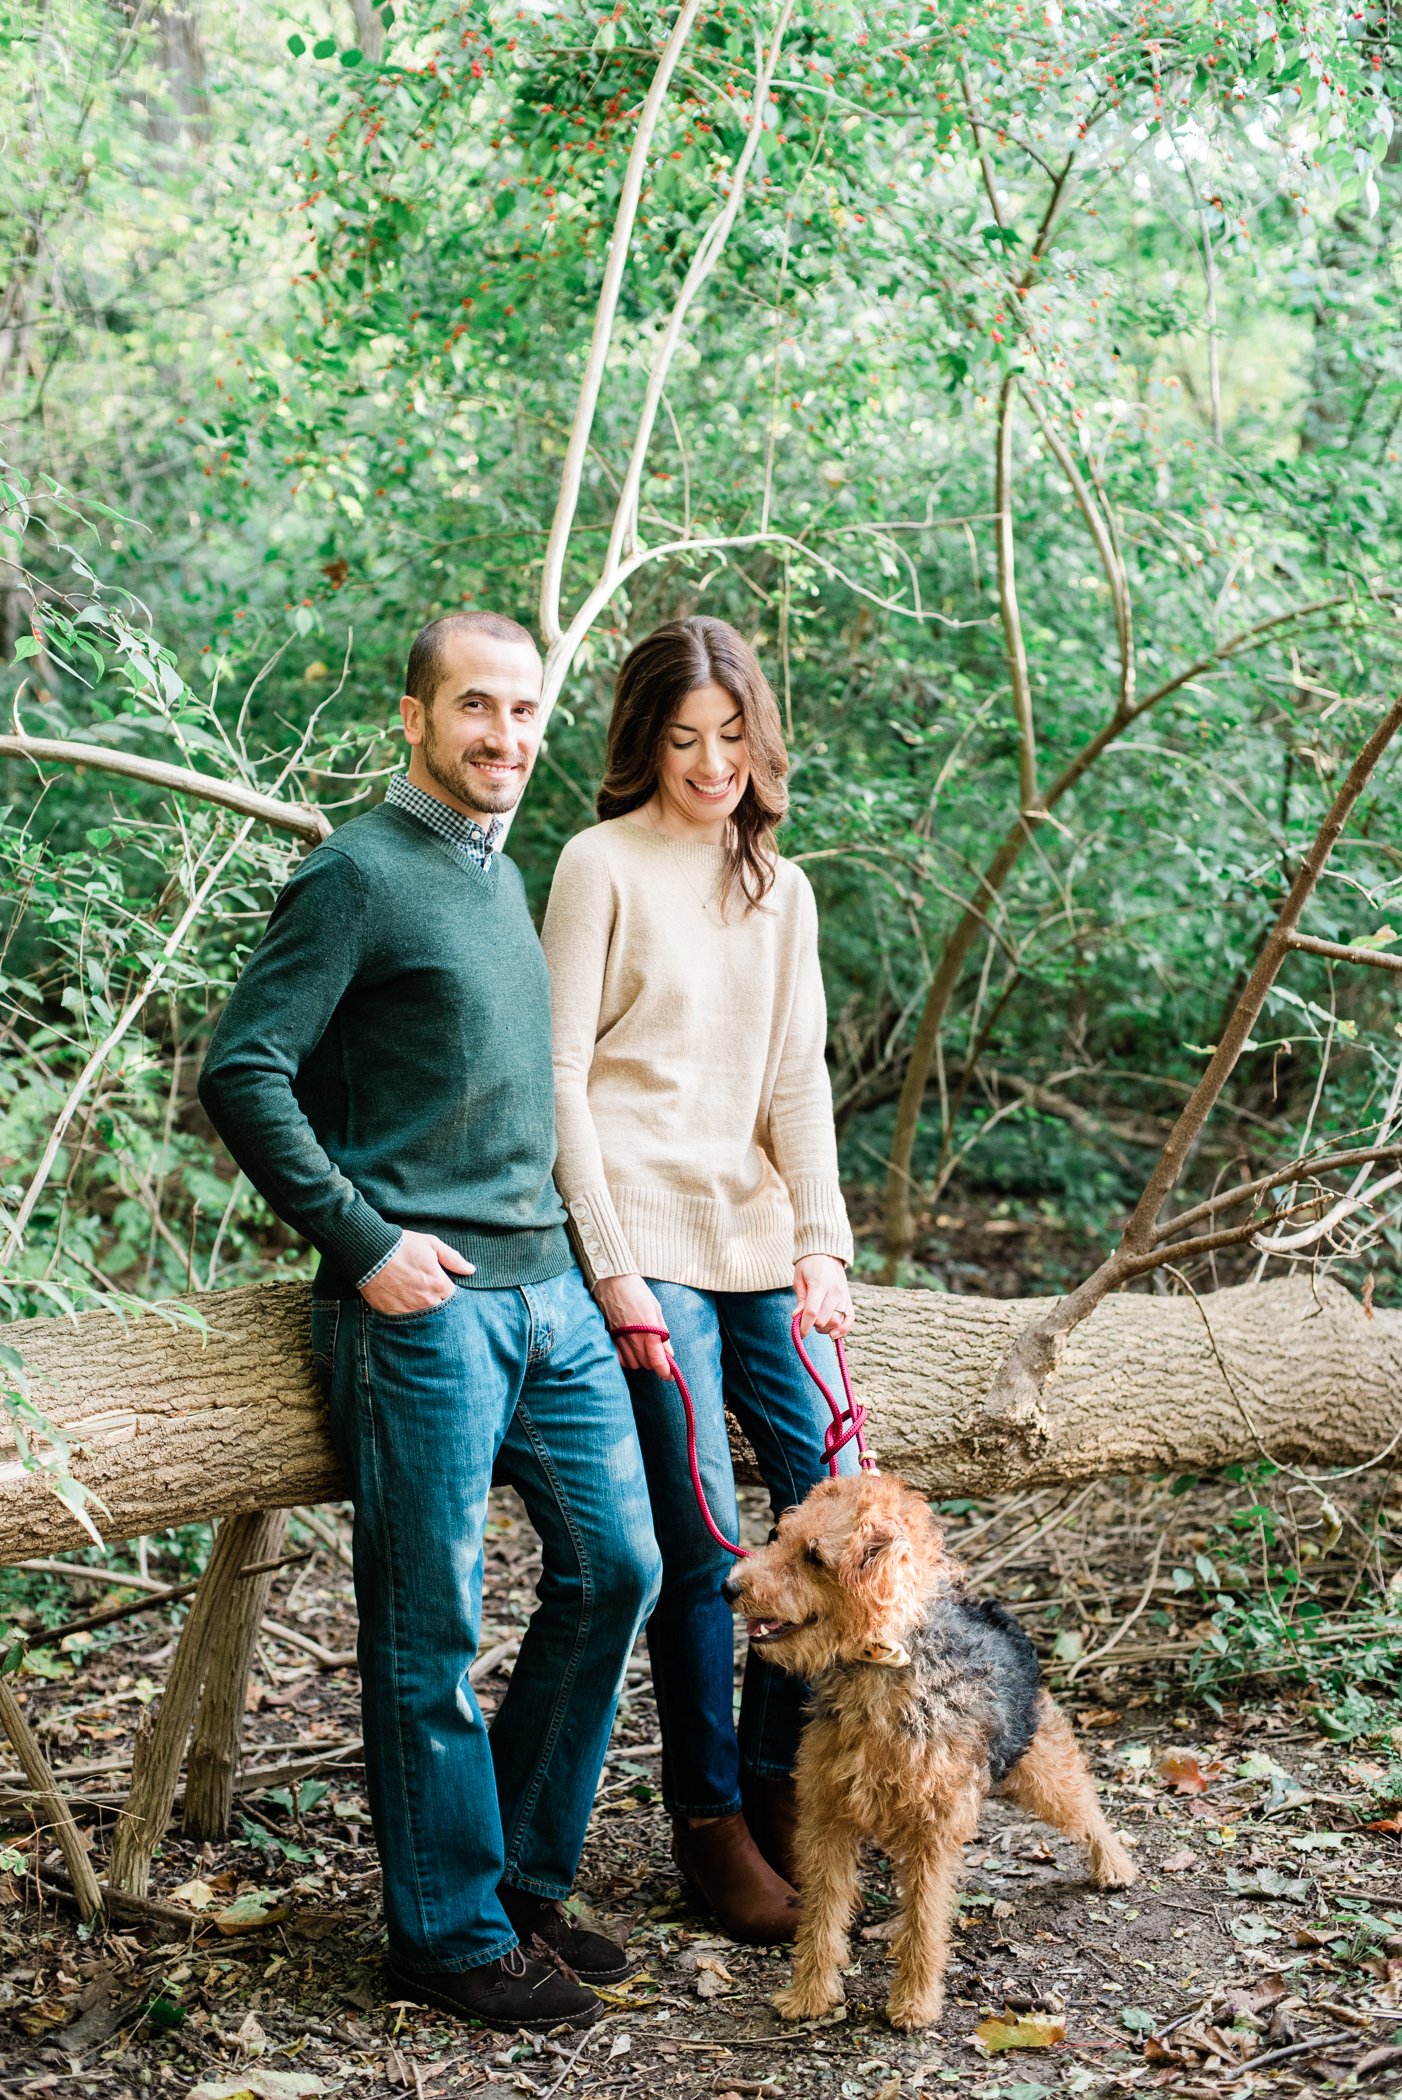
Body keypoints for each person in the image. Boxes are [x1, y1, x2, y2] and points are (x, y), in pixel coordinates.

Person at [198, 610, 662, 2032]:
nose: (505, 738)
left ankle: (515, 1882)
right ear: (414, 719)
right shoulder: (356, 873)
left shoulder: (491, 865)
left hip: (547, 1298)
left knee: (618, 1569)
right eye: (475, 709)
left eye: (524, 713)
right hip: (424, 1312)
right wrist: (363, 1241)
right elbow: (243, 1068)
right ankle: (447, 1935)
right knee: (428, 1629)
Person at [540, 614, 858, 1945]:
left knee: (829, 1517)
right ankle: (708, 1822)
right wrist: (611, 1271)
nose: (711, 762)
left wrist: (823, 1246)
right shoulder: (595, 864)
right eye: (682, 739)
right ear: (641, 742)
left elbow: (794, 1083)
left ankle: (784, 1786)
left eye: (731, 736)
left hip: (757, 1237)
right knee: (702, 1545)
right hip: (647, 1237)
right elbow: (556, 1078)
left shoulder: (775, 889)